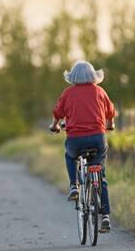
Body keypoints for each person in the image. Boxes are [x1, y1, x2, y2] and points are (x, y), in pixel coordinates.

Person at [49, 60, 116, 232]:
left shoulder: (68, 92)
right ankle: (106, 215)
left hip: (76, 139)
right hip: (98, 139)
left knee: (70, 155)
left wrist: (55, 125)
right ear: (93, 75)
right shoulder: (100, 91)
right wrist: (111, 124)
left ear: (73, 77)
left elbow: (58, 112)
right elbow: (110, 112)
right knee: (100, 173)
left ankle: (74, 185)